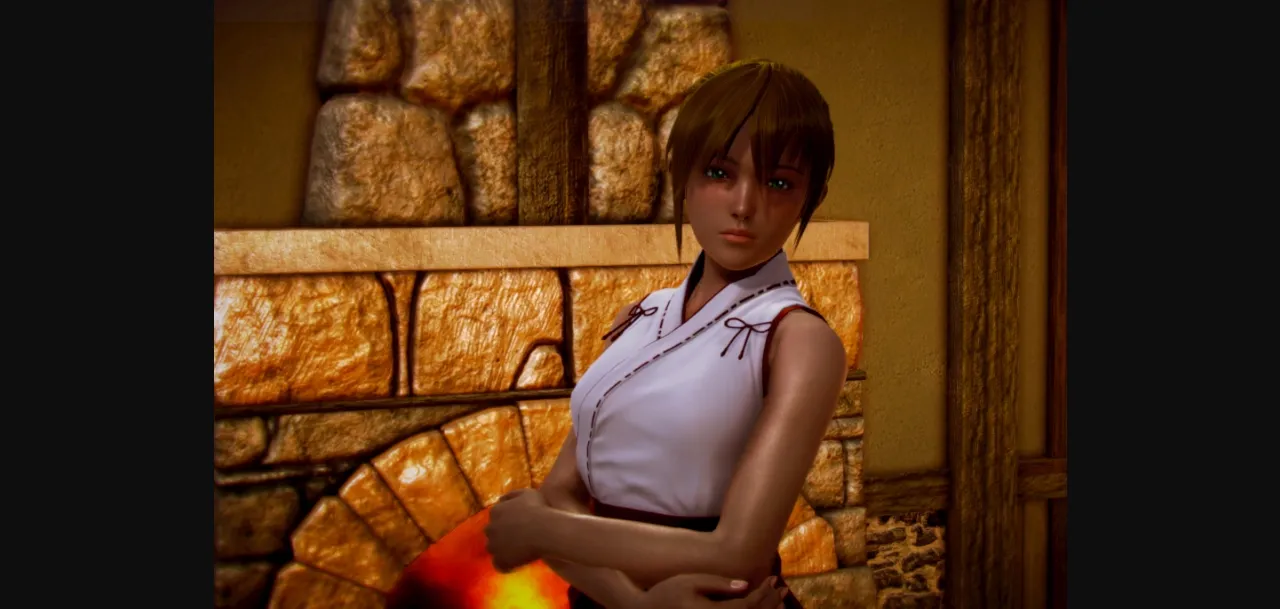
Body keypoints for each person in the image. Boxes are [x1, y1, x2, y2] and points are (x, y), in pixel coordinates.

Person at [485, 59, 846, 609]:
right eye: (720, 173)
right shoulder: (644, 314)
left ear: (808, 198)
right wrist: (634, 603)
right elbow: (561, 492)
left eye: (778, 183)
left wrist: (542, 531)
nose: (744, 206)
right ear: (683, 177)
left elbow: (738, 554)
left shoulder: (799, 340)